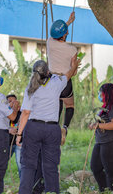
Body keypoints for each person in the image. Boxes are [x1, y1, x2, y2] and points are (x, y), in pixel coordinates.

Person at [16, 56, 80, 194]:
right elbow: (69, 74)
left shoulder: (30, 87)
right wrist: (74, 65)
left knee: (28, 166)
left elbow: (26, 112)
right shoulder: (57, 82)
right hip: (52, 129)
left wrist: (19, 134)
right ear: (48, 72)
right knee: (51, 167)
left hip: (33, 128)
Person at [89, 83, 113, 191]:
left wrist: (98, 125)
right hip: (102, 141)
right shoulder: (105, 106)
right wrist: (94, 124)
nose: (99, 95)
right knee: (95, 167)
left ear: (107, 94)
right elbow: (104, 121)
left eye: (100, 93)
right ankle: (104, 190)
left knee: (110, 172)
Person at [47, 11, 77, 145]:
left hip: (52, 80)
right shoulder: (72, 50)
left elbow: (56, 34)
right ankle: (64, 127)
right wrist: (75, 67)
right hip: (65, 81)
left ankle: (54, 129)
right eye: (66, 32)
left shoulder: (50, 43)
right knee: (69, 105)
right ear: (64, 34)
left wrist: (68, 22)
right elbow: (73, 71)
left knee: (56, 102)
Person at [6, 94, 22, 178]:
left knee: (21, 165)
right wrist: (9, 130)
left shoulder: (22, 113)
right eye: (9, 101)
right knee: (1, 164)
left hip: (19, 143)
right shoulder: (3, 114)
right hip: (7, 143)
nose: (12, 103)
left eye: (14, 101)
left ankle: (23, 187)